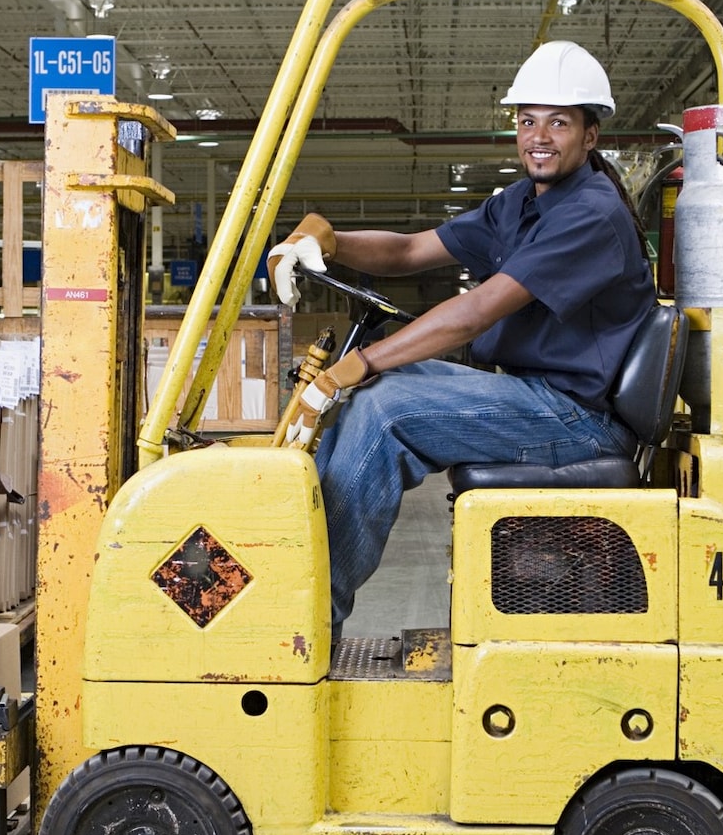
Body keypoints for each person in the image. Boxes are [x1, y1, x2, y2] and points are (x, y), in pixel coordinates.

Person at [267, 41, 658, 627]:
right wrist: (329, 239)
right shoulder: (521, 203)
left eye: (559, 122)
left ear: (590, 135)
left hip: (576, 418)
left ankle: (308, 620)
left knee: (387, 407)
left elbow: (476, 312)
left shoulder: (590, 215)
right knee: (376, 396)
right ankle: (293, 578)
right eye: (528, 121)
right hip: (533, 397)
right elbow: (412, 249)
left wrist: (365, 362)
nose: (539, 136)